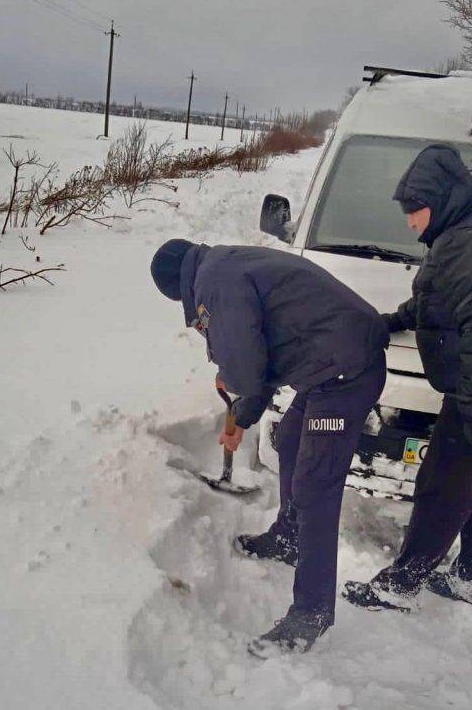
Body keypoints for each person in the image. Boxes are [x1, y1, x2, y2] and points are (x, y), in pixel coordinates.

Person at [342, 144, 472, 612]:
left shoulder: (470, 240)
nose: (410, 223)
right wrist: (397, 320)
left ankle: (400, 584)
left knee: (444, 483)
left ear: (440, 201)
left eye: (414, 212)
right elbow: (449, 298)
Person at [150, 240, 388, 654]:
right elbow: (257, 362)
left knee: (316, 485)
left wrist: (233, 378)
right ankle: (289, 536)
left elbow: (246, 367)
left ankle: (311, 613)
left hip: (344, 374)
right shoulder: (221, 264)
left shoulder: (217, 284)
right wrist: (241, 416)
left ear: (177, 289)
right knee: (292, 437)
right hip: (328, 366)